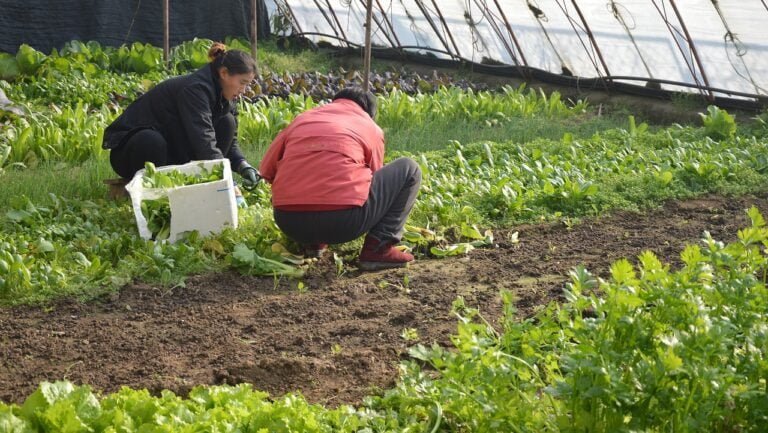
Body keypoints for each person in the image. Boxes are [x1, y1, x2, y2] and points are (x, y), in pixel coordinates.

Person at [259, 87, 422, 270]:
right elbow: (374, 177)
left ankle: (313, 244)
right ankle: (378, 249)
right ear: (369, 113)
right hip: (345, 223)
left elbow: (266, 170)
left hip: (289, 222)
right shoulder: (368, 126)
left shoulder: (301, 120)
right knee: (410, 168)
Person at [102, 43, 261, 190]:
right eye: (242, 82)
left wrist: (242, 165)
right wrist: (226, 182)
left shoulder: (225, 95)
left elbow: (230, 142)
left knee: (227, 122)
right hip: (131, 152)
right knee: (151, 140)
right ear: (224, 73)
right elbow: (203, 139)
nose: (244, 89)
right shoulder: (196, 89)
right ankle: (150, 189)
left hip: (171, 148)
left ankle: (199, 181)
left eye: (248, 84)